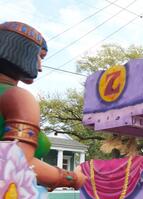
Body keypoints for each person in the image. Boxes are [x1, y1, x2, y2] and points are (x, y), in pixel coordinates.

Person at [0, 21, 86, 189]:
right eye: (40, 56)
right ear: (20, 50)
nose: (40, 66)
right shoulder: (17, 98)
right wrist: (74, 178)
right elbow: (16, 163)